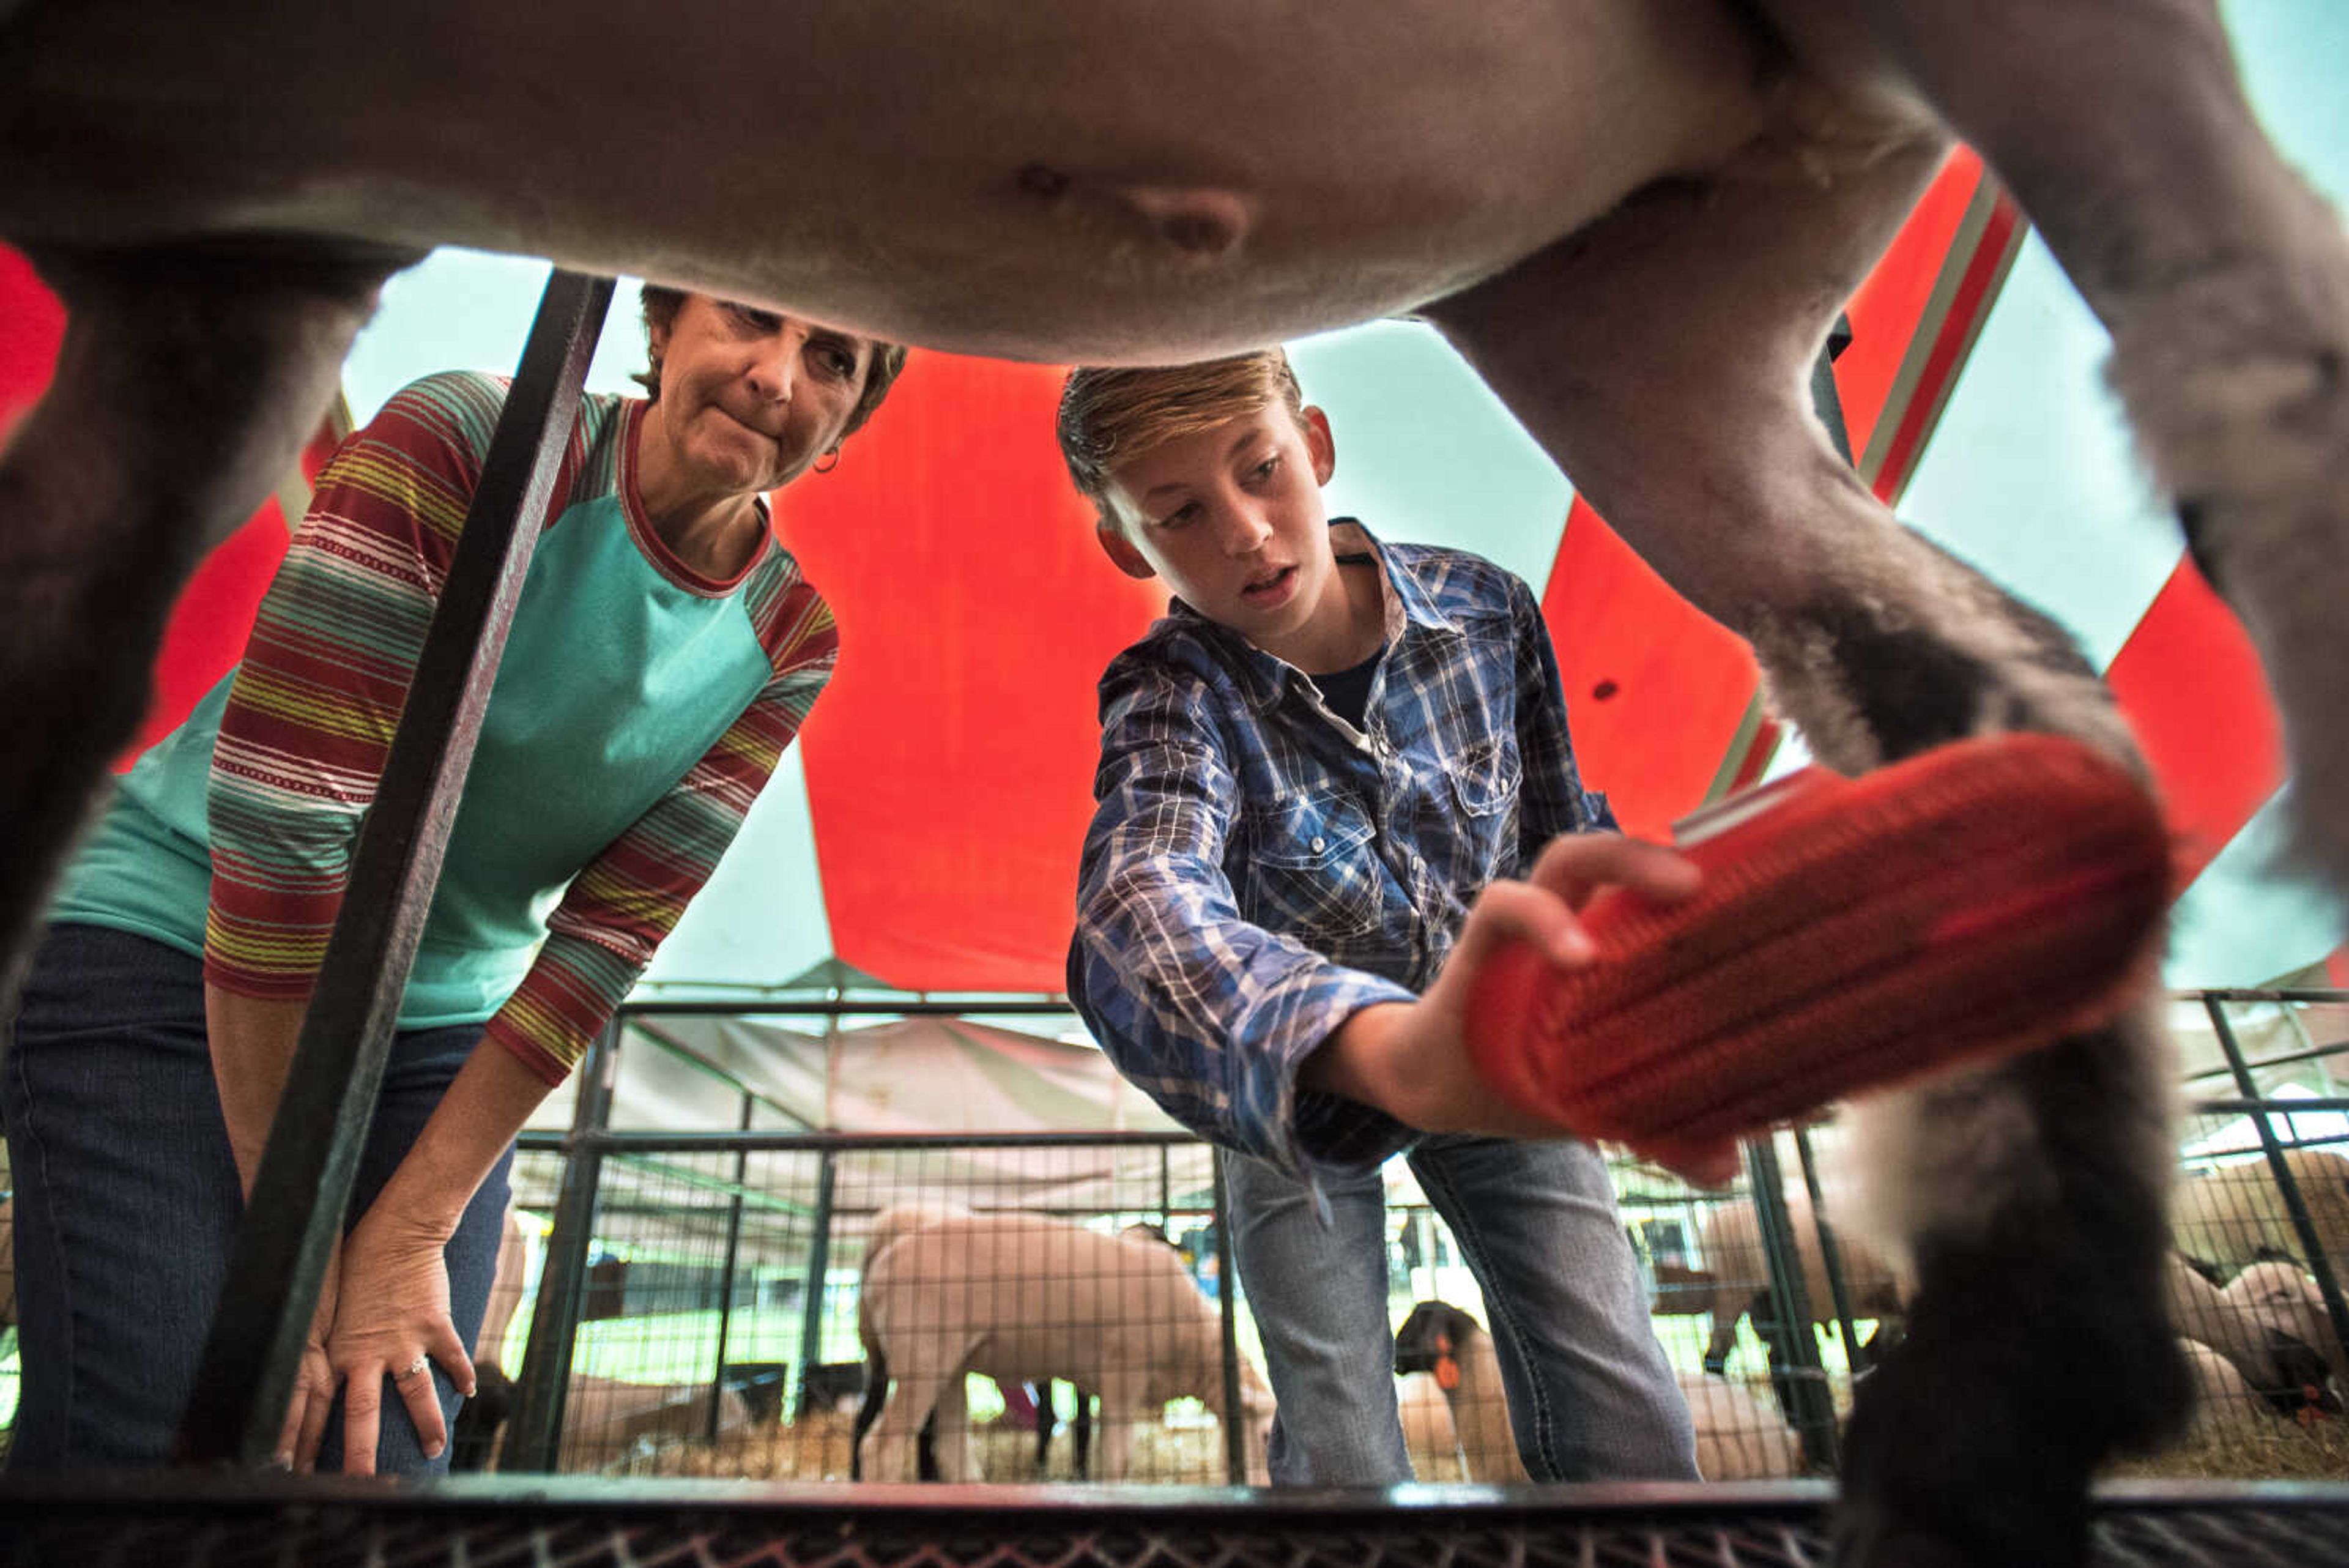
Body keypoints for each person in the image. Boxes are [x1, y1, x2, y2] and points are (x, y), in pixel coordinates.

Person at [1, 286, 905, 1476]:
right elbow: (283, 830)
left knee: (386, 1442)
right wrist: (307, 1249)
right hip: (172, 944)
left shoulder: (790, 639)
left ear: (840, 431)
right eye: (747, 317)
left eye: (831, 359)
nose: (776, 375)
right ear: (664, 324)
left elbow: (603, 943)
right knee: (170, 1423)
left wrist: (407, 1228)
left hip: (431, 1032)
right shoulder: (467, 443)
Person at [1061, 349, 1699, 1485]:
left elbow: (1560, 842)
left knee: (1632, 1420)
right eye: (1181, 514)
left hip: (1499, 1058)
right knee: (1344, 1453)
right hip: (1303, 1097)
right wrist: (1380, 1050)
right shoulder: (1174, 696)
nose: (1249, 533)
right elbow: (1138, 900)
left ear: (1313, 444)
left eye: (1262, 470)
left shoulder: (1490, 611)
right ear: (1127, 544)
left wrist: (1640, 988)